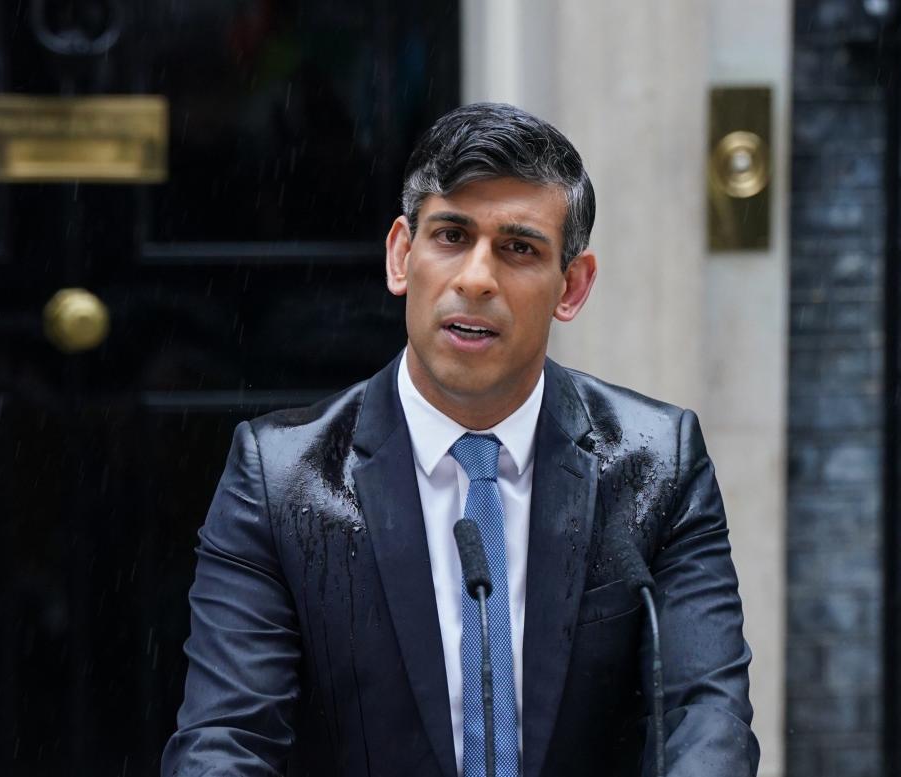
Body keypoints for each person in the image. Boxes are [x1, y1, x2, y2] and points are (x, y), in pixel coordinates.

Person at [161, 102, 759, 777]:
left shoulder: (658, 462)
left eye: (519, 248)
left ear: (572, 285)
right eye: (450, 235)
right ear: (400, 255)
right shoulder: (278, 477)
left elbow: (705, 720)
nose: (475, 278)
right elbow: (226, 742)